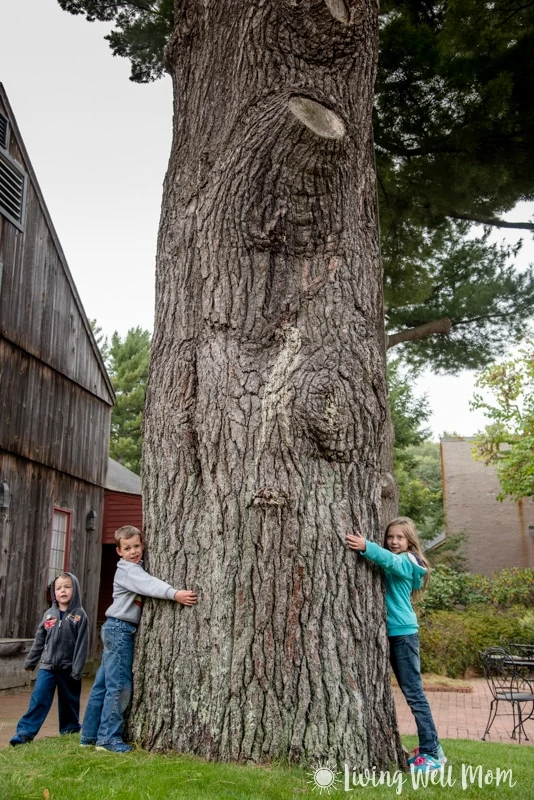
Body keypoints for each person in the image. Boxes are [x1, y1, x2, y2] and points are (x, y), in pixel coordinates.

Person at [81, 525, 197, 753]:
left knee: (103, 685)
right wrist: (175, 594)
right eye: (127, 548)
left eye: (136, 546)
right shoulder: (129, 571)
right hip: (120, 629)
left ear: (142, 545)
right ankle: (107, 739)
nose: (133, 551)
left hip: (114, 628)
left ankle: (89, 735)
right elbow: (148, 584)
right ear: (119, 552)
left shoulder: (132, 568)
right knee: (119, 686)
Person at [346, 516, 447, 773]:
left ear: (409, 540)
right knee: (413, 693)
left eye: (399, 537)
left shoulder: (407, 561)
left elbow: (389, 560)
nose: (393, 542)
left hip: (402, 634)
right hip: (395, 633)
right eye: (390, 537)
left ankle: (431, 753)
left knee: (414, 694)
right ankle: (433, 747)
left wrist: (366, 546)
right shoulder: (403, 561)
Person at [10, 572, 88, 746]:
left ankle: (69, 731)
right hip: (47, 667)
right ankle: (24, 734)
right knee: (39, 698)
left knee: (69, 701)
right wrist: (31, 662)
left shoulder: (79, 616)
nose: (63, 591)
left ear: (75, 590)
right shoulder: (49, 615)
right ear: (54, 592)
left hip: (69, 669)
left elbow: (82, 645)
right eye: (58, 588)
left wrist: (77, 669)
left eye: (67, 587)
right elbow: (39, 641)